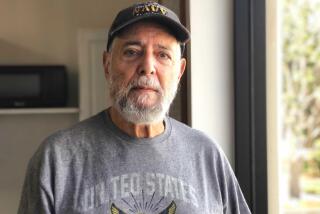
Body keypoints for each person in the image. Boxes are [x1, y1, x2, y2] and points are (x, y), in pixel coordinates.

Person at [18, 2, 251, 214]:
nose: (147, 67)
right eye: (131, 52)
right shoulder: (57, 159)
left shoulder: (207, 155)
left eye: (163, 55)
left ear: (179, 72)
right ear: (107, 65)